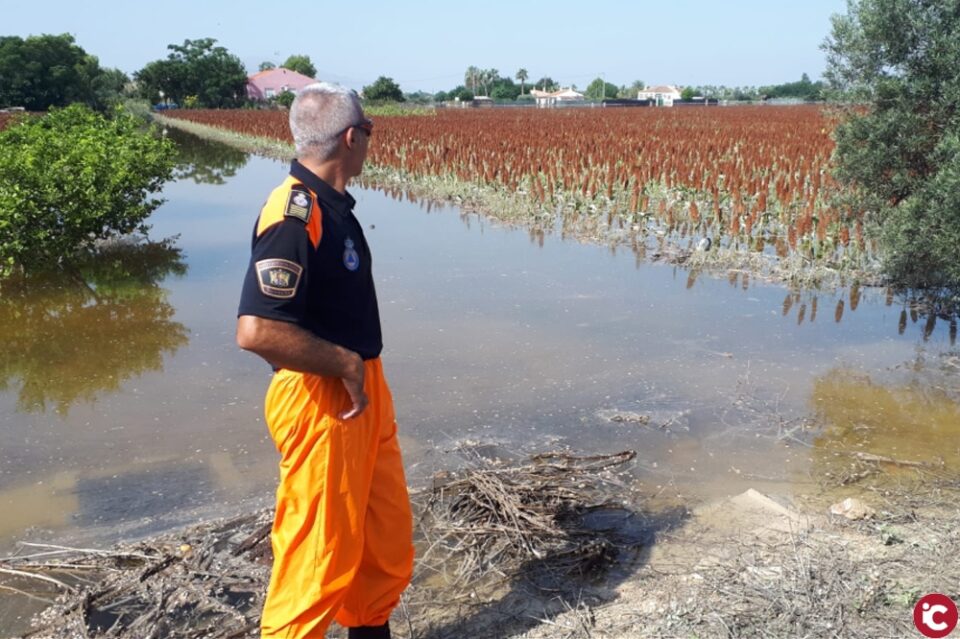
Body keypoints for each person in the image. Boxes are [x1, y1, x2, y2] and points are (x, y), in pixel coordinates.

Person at [236, 82, 414, 639]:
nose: (371, 141)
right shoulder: (293, 213)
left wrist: (358, 369)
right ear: (353, 137)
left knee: (381, 541)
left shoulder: (330, 206)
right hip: (322, 398)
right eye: (371, 131)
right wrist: (342, 363)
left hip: (362, 390)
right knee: (316, 559)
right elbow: (257, 330)